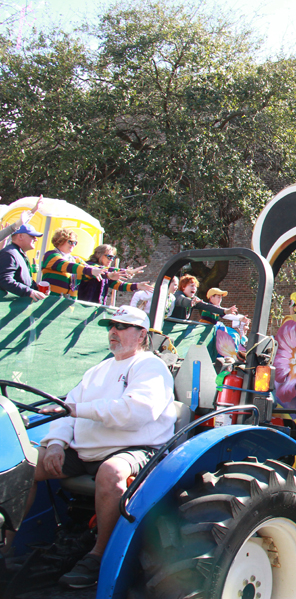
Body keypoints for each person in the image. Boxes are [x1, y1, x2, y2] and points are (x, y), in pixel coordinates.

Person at [33, 305, 175, 588]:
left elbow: (136, 412)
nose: (113, 332)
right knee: (26, 464)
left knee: (111, 473)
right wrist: (56, 444)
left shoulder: (150, 366)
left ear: (141, 334)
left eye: (121, 327)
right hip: (85, 450)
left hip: (135, 447)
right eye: (111, 326)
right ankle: (8, 543)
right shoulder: (97, 370)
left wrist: (78, 410)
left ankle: (100, 556)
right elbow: (66, 410)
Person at [41, 229, 117, 297]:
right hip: (50, 301)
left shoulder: (76, 259)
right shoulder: (51, 255)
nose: (73, 245)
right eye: (70, 242)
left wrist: (109, 274)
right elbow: (68, 266)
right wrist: (91, 271)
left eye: (75, 243)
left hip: (68, 305)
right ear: (60, 240)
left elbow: (92, 269)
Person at [77, 244, 151, 306]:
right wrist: (127, 271)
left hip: (95, 308)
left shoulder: (107, 274)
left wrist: (138, 286)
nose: (111, 260)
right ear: (99, 255)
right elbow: (103, 270)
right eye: (109, 257)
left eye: (113, 257)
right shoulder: (89, 266)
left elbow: (119, 285)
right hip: (81, 307)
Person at [0, 223, 47, 300]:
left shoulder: (18, 253)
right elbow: (4, 280)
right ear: (20, 236)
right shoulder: (9, 253)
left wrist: (36, 288)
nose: (36, 239)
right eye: (32, 236)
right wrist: (29, 292)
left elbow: (22, 280)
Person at [169, 275, 236, 321]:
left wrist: (224, 311)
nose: (194, 288)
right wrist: (191, 302)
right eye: (191, 286)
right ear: (183, 287)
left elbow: (206, 306)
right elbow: (182, 301)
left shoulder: (194, 299)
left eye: (195, 287)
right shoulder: (177, 295)